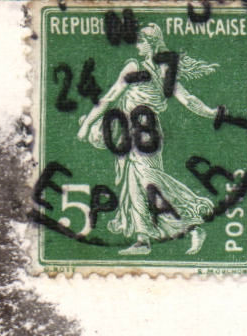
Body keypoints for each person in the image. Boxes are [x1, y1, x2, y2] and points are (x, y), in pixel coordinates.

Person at [77, 23, 219, 256]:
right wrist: (86, 124)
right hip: (127, 132)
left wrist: (211, 112)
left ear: (152, 44)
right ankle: (143, 240)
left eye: (142, 41)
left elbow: (187, 99)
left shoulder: (164, 70)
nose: (137, 45)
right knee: (133, 185)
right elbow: (110, 97)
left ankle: (193, 225)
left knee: (149, 181)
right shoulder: (133, 67)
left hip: (147, 134)